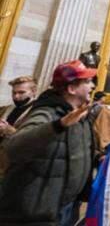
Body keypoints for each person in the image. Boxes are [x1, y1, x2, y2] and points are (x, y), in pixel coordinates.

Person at [0, 60, 96, 225]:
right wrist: (58, 125)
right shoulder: (47, 113)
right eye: (87, 82)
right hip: (38, 212)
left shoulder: (79, 113)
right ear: (72, 89)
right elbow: (14, 147)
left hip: (65, 205)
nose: (92, 86)